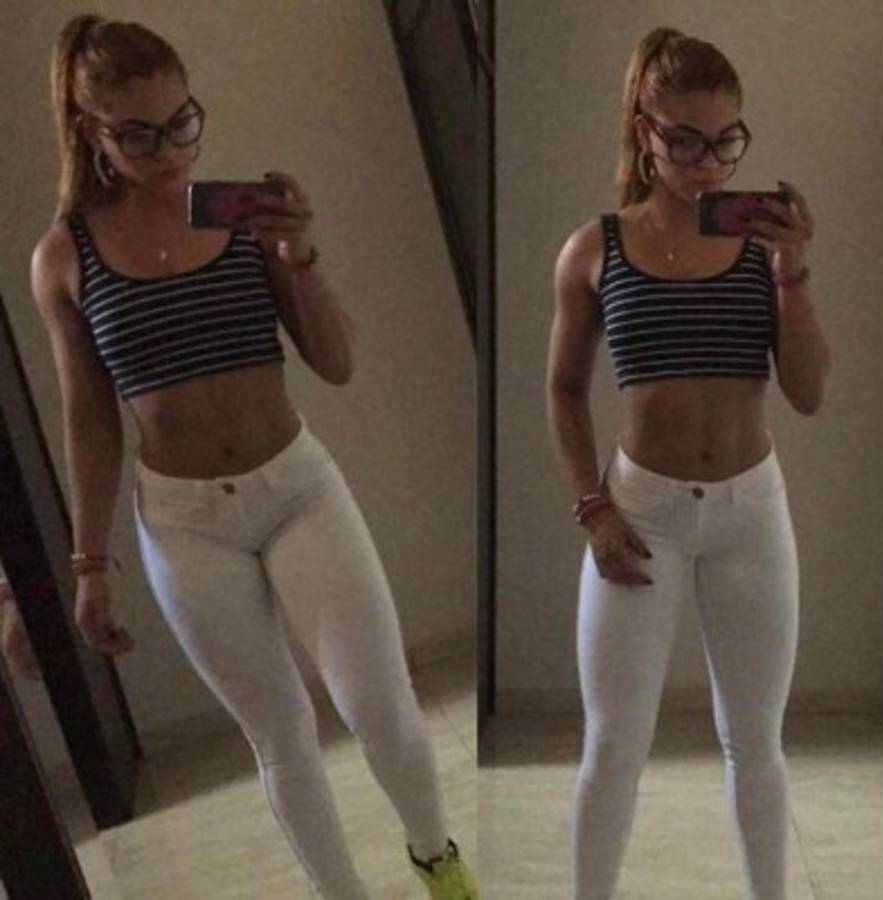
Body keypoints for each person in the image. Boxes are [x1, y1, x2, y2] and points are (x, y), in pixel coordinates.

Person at [31, 15, 477, 900]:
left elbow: (336, 362)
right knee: (279, 735)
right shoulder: (65, 256)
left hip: (297, 488)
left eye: (182, 122)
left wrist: (296, 253)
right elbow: (89, 416)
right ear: (90, 131)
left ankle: (440, 864)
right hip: (184, 523)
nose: (170, 151)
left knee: (381, 707)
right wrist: (88, 563)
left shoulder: (240, 214)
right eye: (140, 134)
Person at [547, 27, 830, 900]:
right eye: (686, 141)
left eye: (725, 141)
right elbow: (563, 390)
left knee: (756, 741)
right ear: (645, 130)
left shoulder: (763, 248)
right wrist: (592, 507)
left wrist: (793, 272)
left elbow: (808, 391)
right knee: (614, 743)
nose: (708, 164)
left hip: (751, 512)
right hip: (643, 514)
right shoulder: (593, 249)